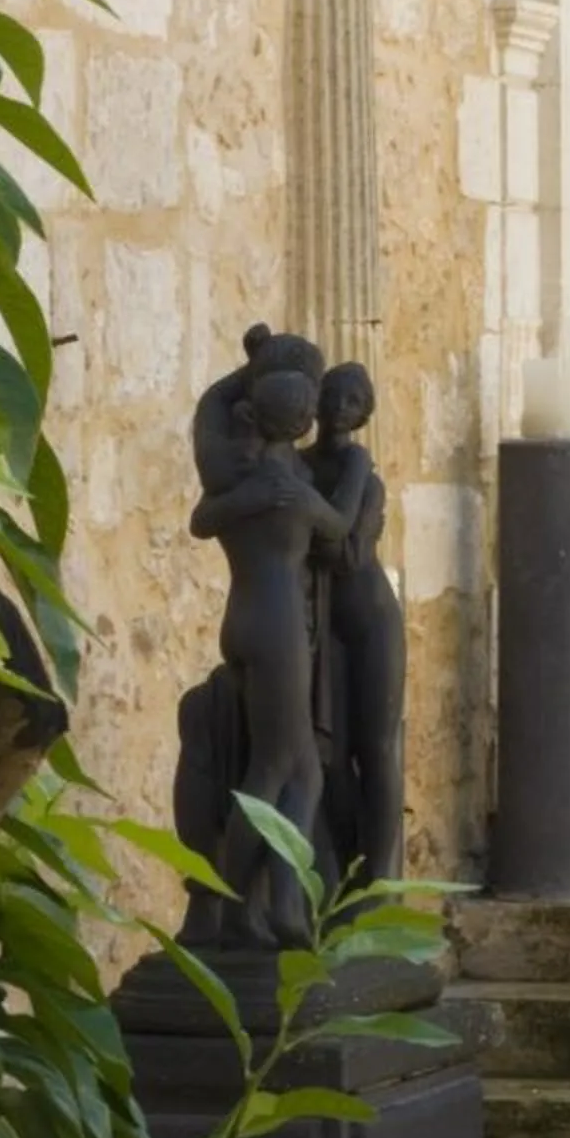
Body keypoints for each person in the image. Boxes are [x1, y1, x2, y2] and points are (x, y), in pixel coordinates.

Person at [189, 359, 359, 945]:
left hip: (240, 621)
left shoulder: (240, 474)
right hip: (280, 626)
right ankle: (245, 906)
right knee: (279, 770)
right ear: (305, 419)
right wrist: (356, 470)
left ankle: (280, 905)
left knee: (298, 768)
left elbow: (199, 522)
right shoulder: (293, 492)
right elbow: (340, 527)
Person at [309, 361, 407, 884]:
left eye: (353, 401)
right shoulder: (300, 465)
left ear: (363, 414)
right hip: (324, 625)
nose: (340, 408)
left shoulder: (361, 471)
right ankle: (343, 869)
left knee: (376, 746)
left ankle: (379, 875)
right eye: (334, 395)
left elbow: (347, 552)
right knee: (331, 752)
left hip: (371, 619)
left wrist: (309, 520)